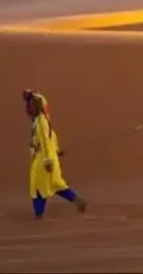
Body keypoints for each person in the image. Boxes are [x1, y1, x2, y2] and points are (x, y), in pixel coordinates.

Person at [24, 90, 88, 220]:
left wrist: (47, 160)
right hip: (47, 157)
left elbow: (45, 140)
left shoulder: (41, 121)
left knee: (38, 187)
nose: (30, 107)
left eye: (32, 104)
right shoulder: (42, 120)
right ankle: (77, 201)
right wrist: (57, 150)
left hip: (43, 159)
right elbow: (51, 138)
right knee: (55, 184)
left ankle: (39, 215)